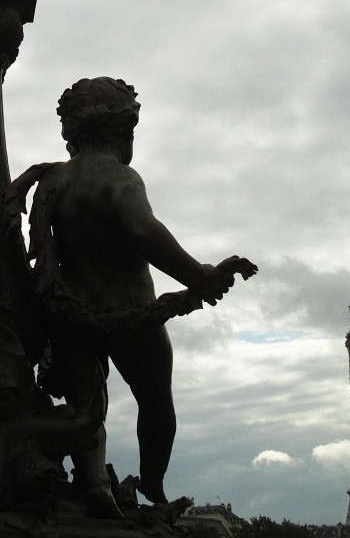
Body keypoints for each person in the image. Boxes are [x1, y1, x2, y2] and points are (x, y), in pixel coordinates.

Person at [17, 77, 255, 518]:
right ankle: (153, 480)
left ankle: (94, 484)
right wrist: (198, 274)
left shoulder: (54, 183)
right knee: (155, 400)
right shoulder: (120, 177)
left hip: (71, 314)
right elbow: (144, 231)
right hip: (131, 313)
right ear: (121, 130)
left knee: (84, 403)